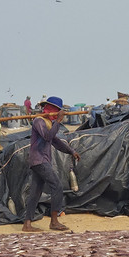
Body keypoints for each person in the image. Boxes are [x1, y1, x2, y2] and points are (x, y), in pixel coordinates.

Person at [23, 96, 79, 233]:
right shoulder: (39, 121)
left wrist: (71, 151)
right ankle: (54, 221)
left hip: (41, 161)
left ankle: (27, 224)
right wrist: (59, 121)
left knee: (35, 193)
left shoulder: (48, 123)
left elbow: (56, 141)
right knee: (57, 186)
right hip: (39, 161)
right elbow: (47, 136)